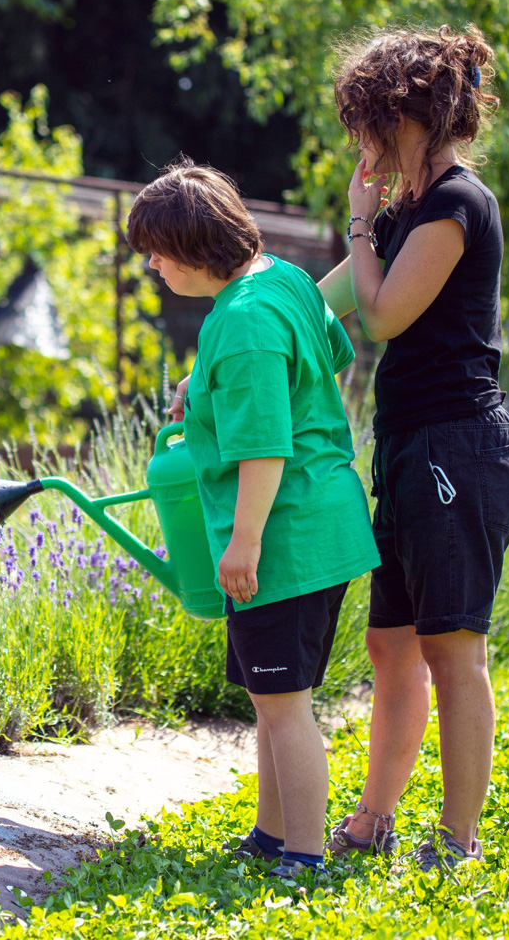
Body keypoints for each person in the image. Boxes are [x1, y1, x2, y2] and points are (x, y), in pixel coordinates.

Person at [126, 160, 380, 880]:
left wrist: (244, 543)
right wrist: (209, 386)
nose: (151, 265)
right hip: (323, 523)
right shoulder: (284, 280)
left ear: (193, 248)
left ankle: (303, 856)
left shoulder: (240, 323)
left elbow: (265, 446)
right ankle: (271, 837)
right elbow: (328, 357)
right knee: (274, 699)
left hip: (283, 540)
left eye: (157, 252)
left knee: (286, 707)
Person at [317, 25, 509, 871]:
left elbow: (380, 314)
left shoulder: (456, 204)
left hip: (460, 446)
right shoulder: (409, 211)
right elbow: (321, 306)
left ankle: (457, 843)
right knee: (392, 645)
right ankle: (374, 820)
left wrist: (360, 222)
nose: (360, 141)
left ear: (402, 116)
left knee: (452, 647)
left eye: (365, 121)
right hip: (411, 446)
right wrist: (224, 357)